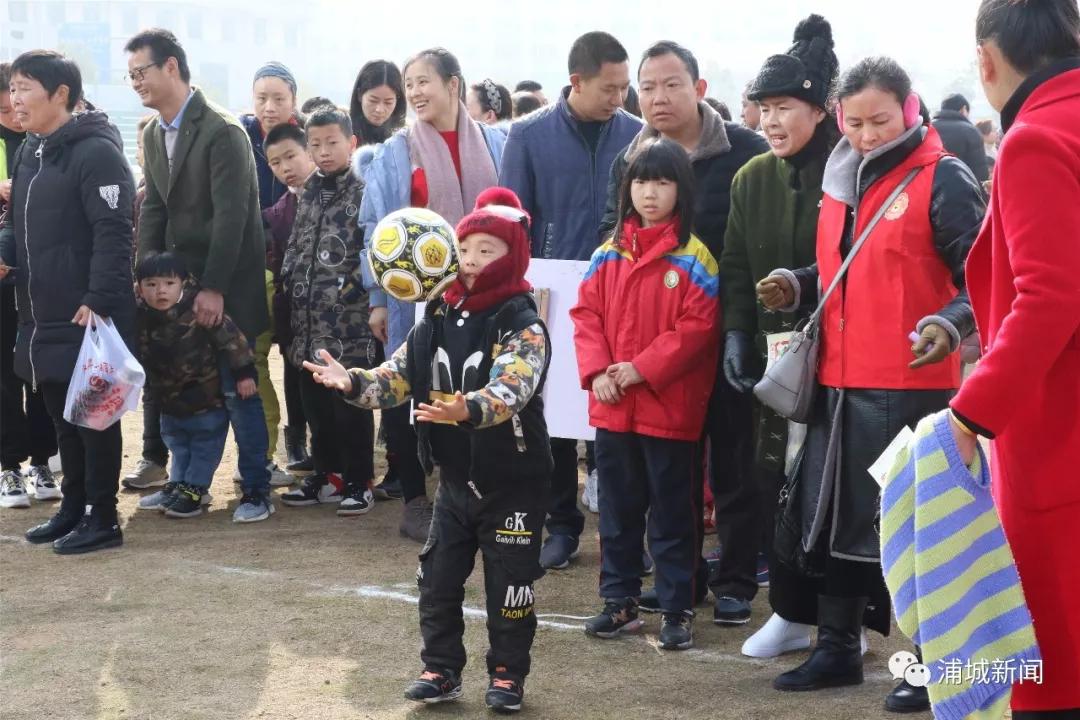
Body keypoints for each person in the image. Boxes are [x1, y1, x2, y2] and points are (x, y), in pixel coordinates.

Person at [756, 56, 985, 699]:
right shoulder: (842, 176)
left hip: (913, 387)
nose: (865, 135)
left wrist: (949, 323)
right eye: (853, 123)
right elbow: (846, 269)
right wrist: (798, 283)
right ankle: (836, 650)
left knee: (917, 527)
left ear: (910, 109)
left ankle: (933, 663)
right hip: (837, 381)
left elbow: (986, 276)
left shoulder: (945, 177)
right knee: (833, 521)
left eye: (879, 121)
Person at [305, 187, 551, 714]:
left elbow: (514, 387)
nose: (472, 259)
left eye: (488, 250)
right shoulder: (436, 313)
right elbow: (397, 376)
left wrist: (469, 408)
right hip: (455, 481)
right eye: (465, 248)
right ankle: (440, 670)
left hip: (513, 482)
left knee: (510, 588)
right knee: (436, 580)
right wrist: (352, 382)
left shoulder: (522, 321)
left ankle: (508, 675)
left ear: (513, 258)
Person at [601, 40, 769, 616]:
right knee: (671, 469)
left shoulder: (745, 152)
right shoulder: (632, 159)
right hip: (655, 348)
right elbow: (613, 235)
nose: (658, 97)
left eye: (671, 84)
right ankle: (683, 580)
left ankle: (737, 580)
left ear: (699, 89)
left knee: (734, 459)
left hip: (725, 334)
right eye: (647, 87)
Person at [949, 1, 1080, 714]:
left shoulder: (1036, 138)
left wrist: (971, 412)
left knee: (1056, 670)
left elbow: (1051, 297)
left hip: (1060, 433)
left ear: (987, 60)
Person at [718, 14, 839, 652]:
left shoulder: (851, 172)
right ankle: (790, 611)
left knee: (833, 485)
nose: (770, 121)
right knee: (776, 478)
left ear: (820, 110)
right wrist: (736, 335)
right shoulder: (752, 177)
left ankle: (841, 620)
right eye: (763, 108)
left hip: (843, 357)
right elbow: (736, 268)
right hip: (774, 360)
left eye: (784, 107)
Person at [501, 30, 641, 570]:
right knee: (553, 419)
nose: (619, 98)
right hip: (551, 294)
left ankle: (624, 536)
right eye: (609, 88)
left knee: (617, 417)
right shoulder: (528, 135)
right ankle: (561, 525)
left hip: (621, 293)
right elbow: (514, 221)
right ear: (576, 81)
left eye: (624, 87)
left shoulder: (637, 134)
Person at [574, 137, 720, 651]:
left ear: (682, 189)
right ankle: (619, 602)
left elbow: (697, 330)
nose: (650, 193)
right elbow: (585, 316)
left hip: (669, 410)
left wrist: (640, 369)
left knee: (673, 513)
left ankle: (677, 607)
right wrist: (597, 372)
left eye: (662, 181)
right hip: (613, 408)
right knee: (616, 512)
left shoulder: (696, 258)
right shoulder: (606, 254)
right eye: (640, 181)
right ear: (626, 188)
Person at [356, 46, 505, 543]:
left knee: (480, 384)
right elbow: (375, 228)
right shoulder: (395, 151)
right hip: (414, 297)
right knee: (410, 385)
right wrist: (378, 298)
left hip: (486, 291)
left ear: (453, 85)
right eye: (410, 84)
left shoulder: (496, 142)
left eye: (424, 81)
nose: (415, 92)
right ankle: (415, 499)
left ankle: (479, 494)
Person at [126, 28, 274, 523]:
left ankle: (256, 489)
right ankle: (187, 484)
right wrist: (146, 277)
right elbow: (154, 208)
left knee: (239, 392)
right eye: (130, 75)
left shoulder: (222, 130)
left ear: (171, 66)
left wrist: (213, 287)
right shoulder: (153, 132)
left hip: (226, 287)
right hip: (179, 291)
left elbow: (233, 218)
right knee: (185, 395)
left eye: (141, 71)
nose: (136, 82)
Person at [0, 51, 135, 553]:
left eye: (25, 88)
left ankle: (104, 516)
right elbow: (15, 224)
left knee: (94, 417)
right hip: (40, 309)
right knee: (62, 415)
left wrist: (99, 297)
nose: (15, 100)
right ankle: (73, 507)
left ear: (61, 95)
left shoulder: (96, 151)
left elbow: (114, 231)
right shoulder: (29, 151)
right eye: (13, 88)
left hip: (86, 311)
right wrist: (4, 257)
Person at [278, 107, 378, 516]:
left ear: (352, 142)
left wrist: (352, 287)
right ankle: (327, 475)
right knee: (316, 406)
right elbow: (298, 240)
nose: (323, 151)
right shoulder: (309, 190)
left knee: (349, 404)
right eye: (315, 144)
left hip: (347, 323)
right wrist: (289, 276)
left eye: (332, 142)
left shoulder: (365, 187)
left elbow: (373, 247)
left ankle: (359, 481)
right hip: (307, 320)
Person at [134, 253, 257, 518]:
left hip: (205, 400)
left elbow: (232, 338)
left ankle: (195, 489)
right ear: (139, 288)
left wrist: (244, 373)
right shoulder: (140, 316)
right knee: (177, 444)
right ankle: (178, 484)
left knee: (204, 446)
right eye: (151, 284)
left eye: (169, 283)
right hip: (168, 402)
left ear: (183, 283)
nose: (160, 291)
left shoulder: (198, 310)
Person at [1, 60, 60, 508]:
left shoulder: (49, 137)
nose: (14, 113)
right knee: (3, 375)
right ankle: (8, 466)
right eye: (4, 109)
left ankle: (43, 461)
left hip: (43, 278)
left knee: (42, 373)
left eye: (18, 100)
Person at [240, 61, 302, 486]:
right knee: (255, 361)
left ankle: (298, 442)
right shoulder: (239, 138)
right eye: (262, 97)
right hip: (257, 268)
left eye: (279, 98)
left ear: (294, 101)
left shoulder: (307, 140)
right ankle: (261, 453)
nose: (269, 106)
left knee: (299, 364)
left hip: (299, 272)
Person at [262, 123, 316, 475]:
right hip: (292, 308)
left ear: (308, 151)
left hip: (331, 309)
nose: (285, 167)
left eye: (291, 156)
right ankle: (295, 439)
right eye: (275, 163)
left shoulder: (338, 195)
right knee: (294, 374)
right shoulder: (277, 212)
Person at [932, 93, 990, 184]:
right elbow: (980, 172)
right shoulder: (970, 131)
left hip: (930, 187)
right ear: (963, 109)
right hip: (962, 187)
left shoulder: (929, 128)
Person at [349, 59, 406, 146]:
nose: (379, 110)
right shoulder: (342, 133)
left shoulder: (403, 138)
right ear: (359, 95)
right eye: (373, 101)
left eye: (388, 102)